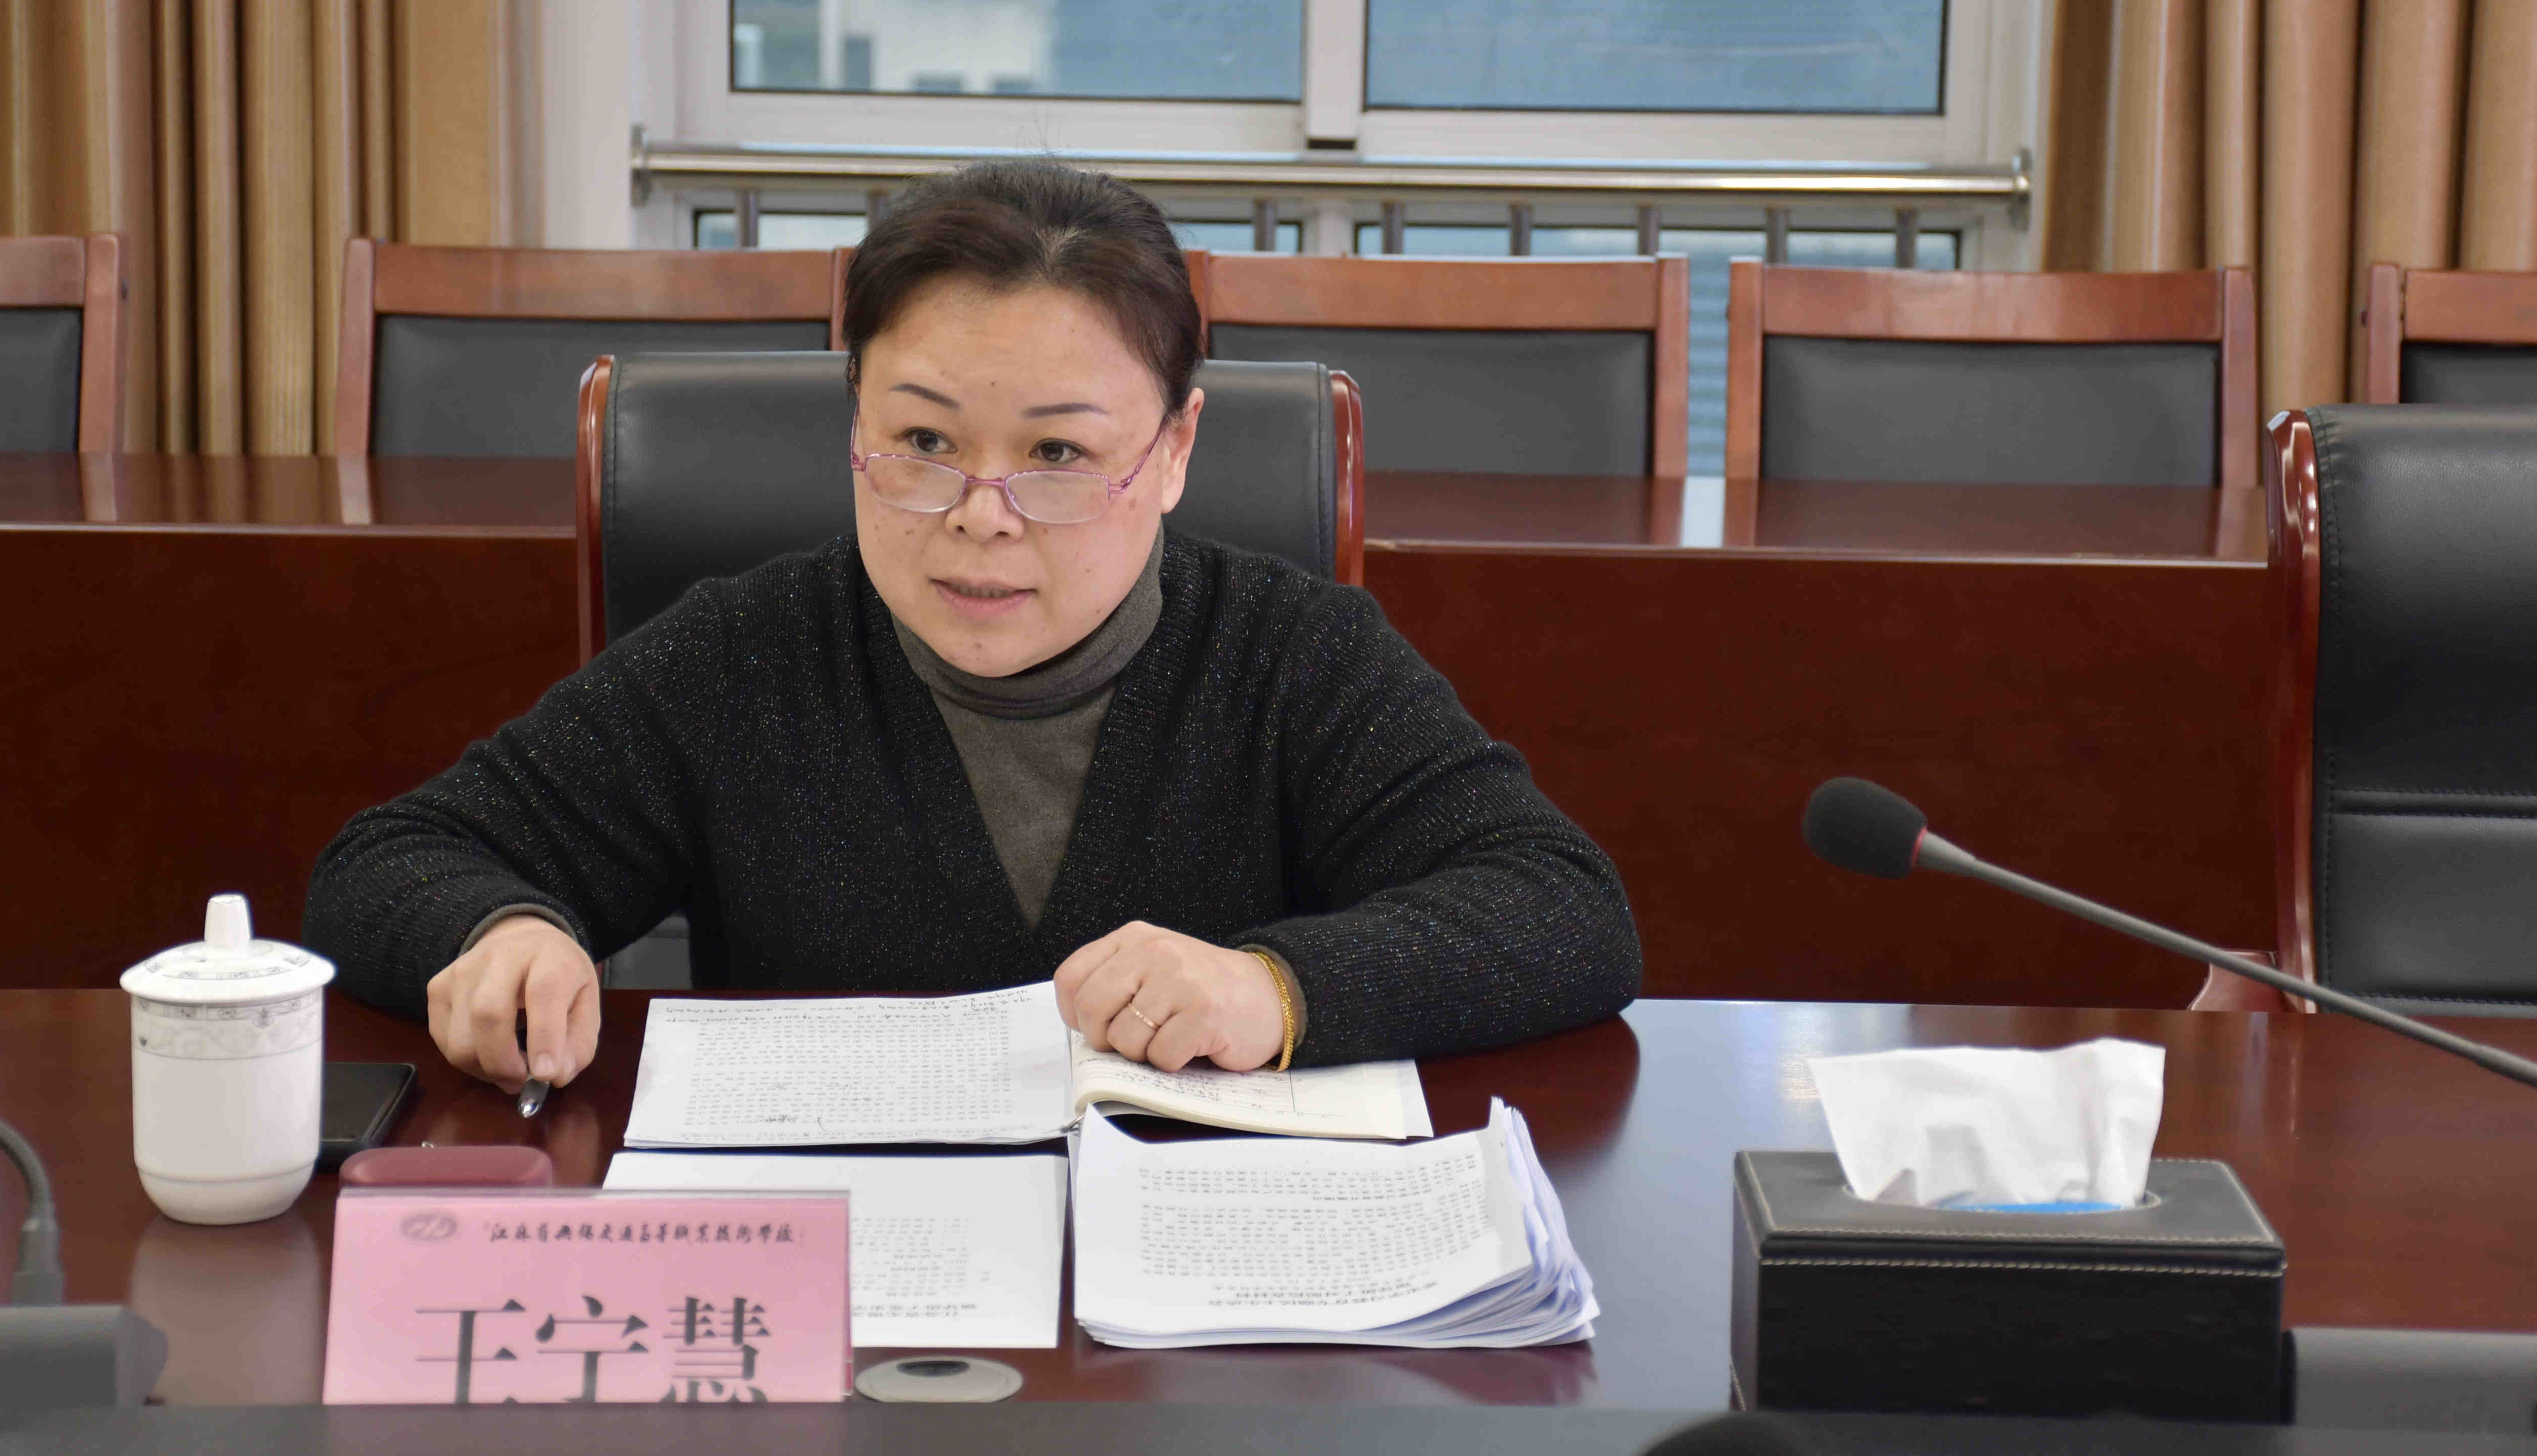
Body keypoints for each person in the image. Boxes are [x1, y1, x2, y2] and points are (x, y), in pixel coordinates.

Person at [306, 159, 1642, 1091]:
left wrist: (1279, 988)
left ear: (1175, 451)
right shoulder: (748, 655)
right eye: (925, 442)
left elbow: (1562, 911)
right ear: (856, 423)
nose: (980, 518)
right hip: (842, 1288)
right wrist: (501, 933)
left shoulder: (1294, 656)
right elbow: (390, 862)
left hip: (1183, 1310)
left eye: (1058, 455)